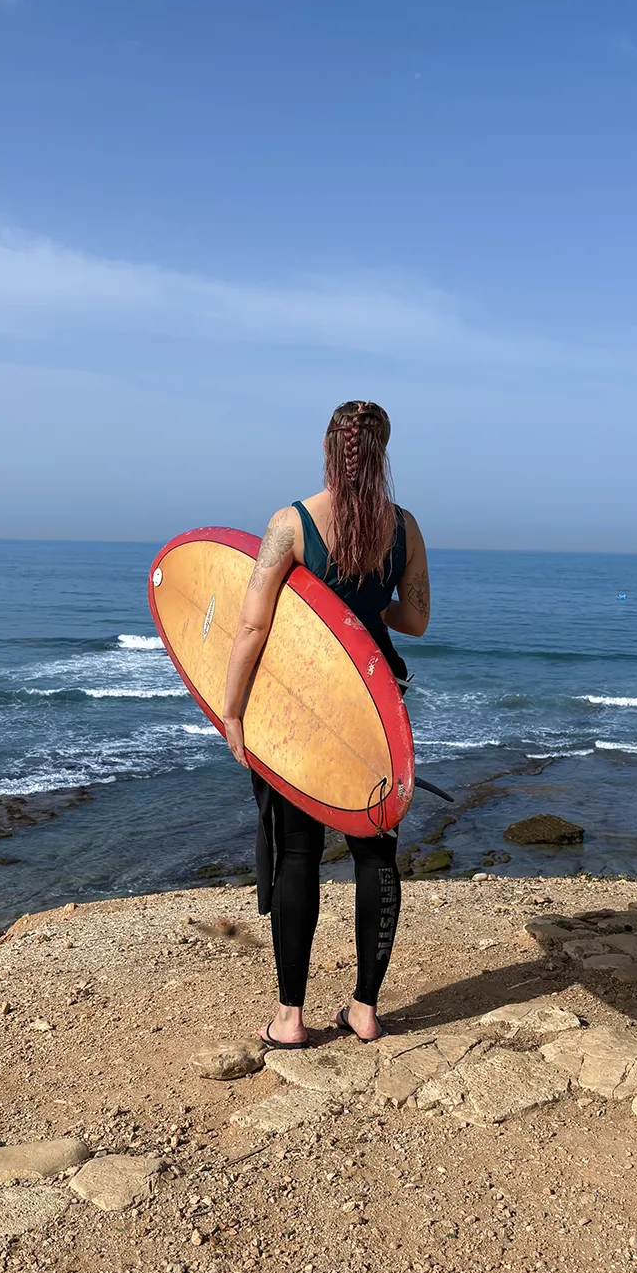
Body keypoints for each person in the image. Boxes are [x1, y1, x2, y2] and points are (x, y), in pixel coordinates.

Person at [220, 400, 430, 1049]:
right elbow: (416, 619)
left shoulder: (292, 524)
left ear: (326, 445)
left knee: (299, 855)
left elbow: (253, 625)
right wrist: (364, 615)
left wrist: (230, 711)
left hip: (302, 715)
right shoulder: (404, 528)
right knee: (376, 852)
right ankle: (365, 1008)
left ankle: (290, 1017)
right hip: (372, 708)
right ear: (384, 453)